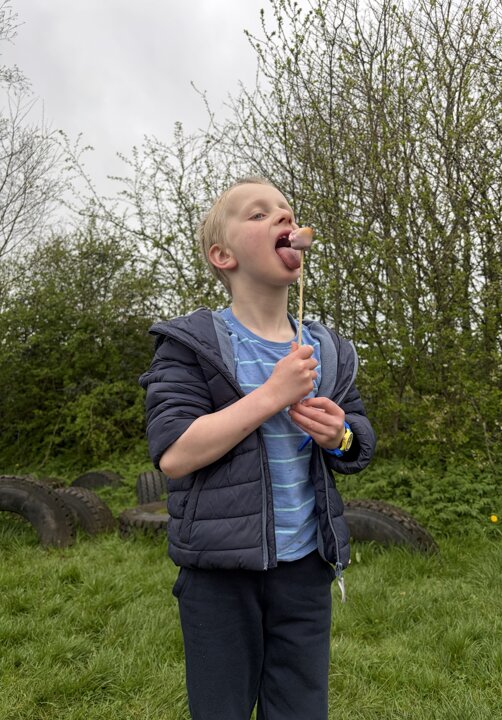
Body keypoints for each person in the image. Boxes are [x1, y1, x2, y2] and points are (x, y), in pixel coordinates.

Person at [138, 177, 376, 720]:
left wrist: (339, 435)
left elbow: (358, 440)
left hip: (306, 569)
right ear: (222, 256)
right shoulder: (191, 345)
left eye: (286, 210)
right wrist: (272, 396)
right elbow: (175, 453)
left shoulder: (328, 349)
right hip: (220, 574)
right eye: (259, 213)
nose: (282, 218)